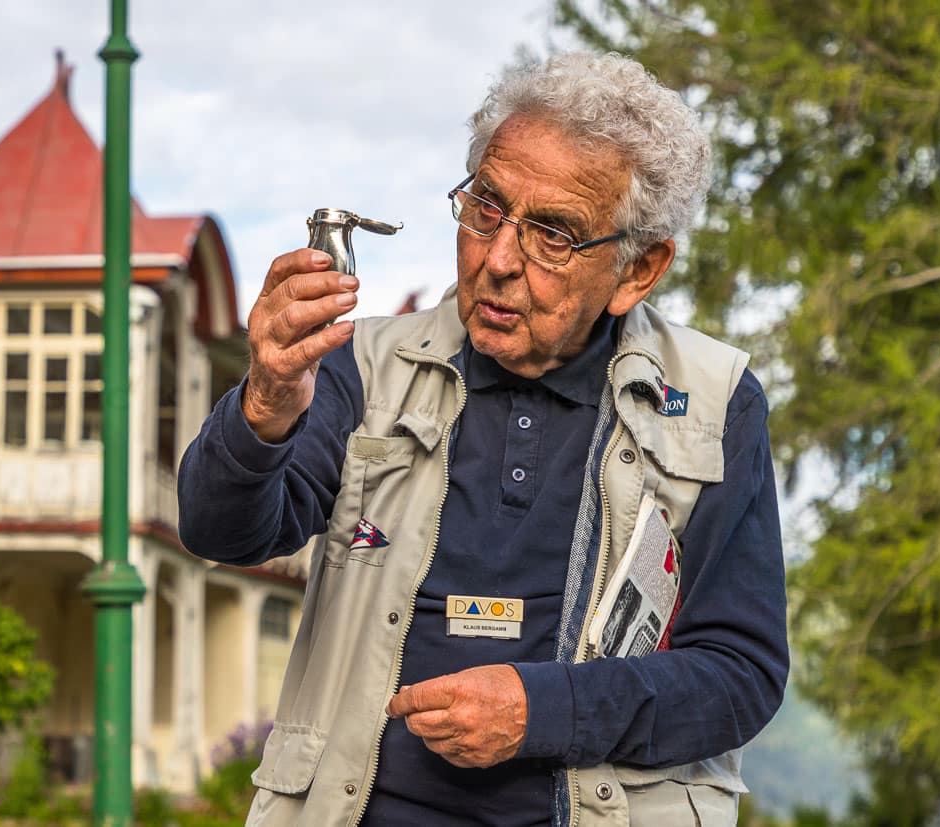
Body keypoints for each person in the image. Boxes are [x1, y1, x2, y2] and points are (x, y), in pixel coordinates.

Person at [178, 51, 788, 827]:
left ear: (638, 269)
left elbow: (740, 676)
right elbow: (220, 531)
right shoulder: (361, 367)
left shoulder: (714, 402)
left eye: (554, 235)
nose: (498, 259)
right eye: (486, 209)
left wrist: (540, 709)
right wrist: (266, 399)